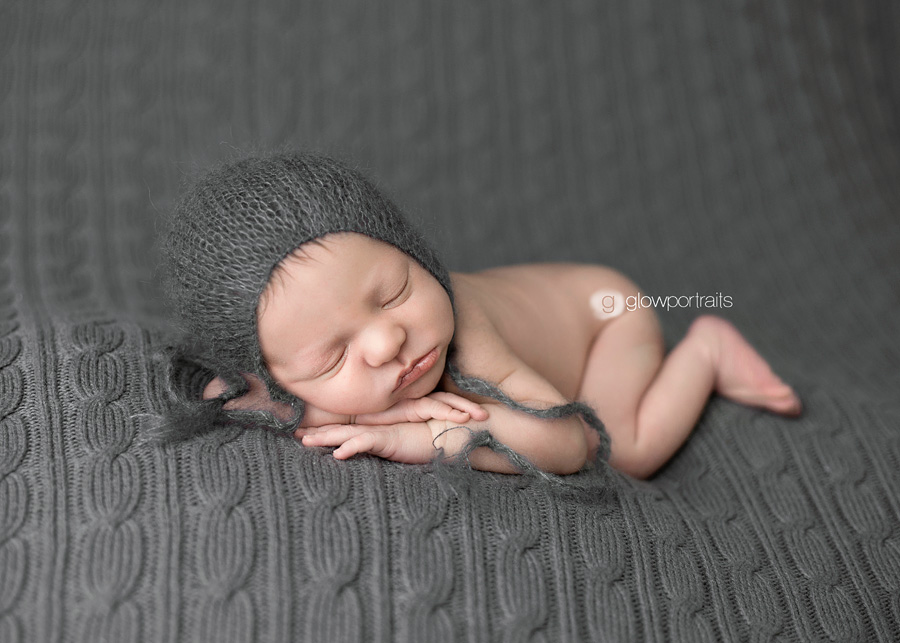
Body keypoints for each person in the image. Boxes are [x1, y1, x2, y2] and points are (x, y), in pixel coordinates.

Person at [160, 152, 801, 480]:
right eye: (332, 357)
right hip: (560, 295)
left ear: (412, 249)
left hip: (604, 314)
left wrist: (418, 437)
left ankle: (707, 349)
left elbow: (567, 443)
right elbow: (244, 399)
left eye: (394, 290)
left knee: (627, 451)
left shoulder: (465, 335)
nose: (389, 338)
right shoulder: (286, 367)